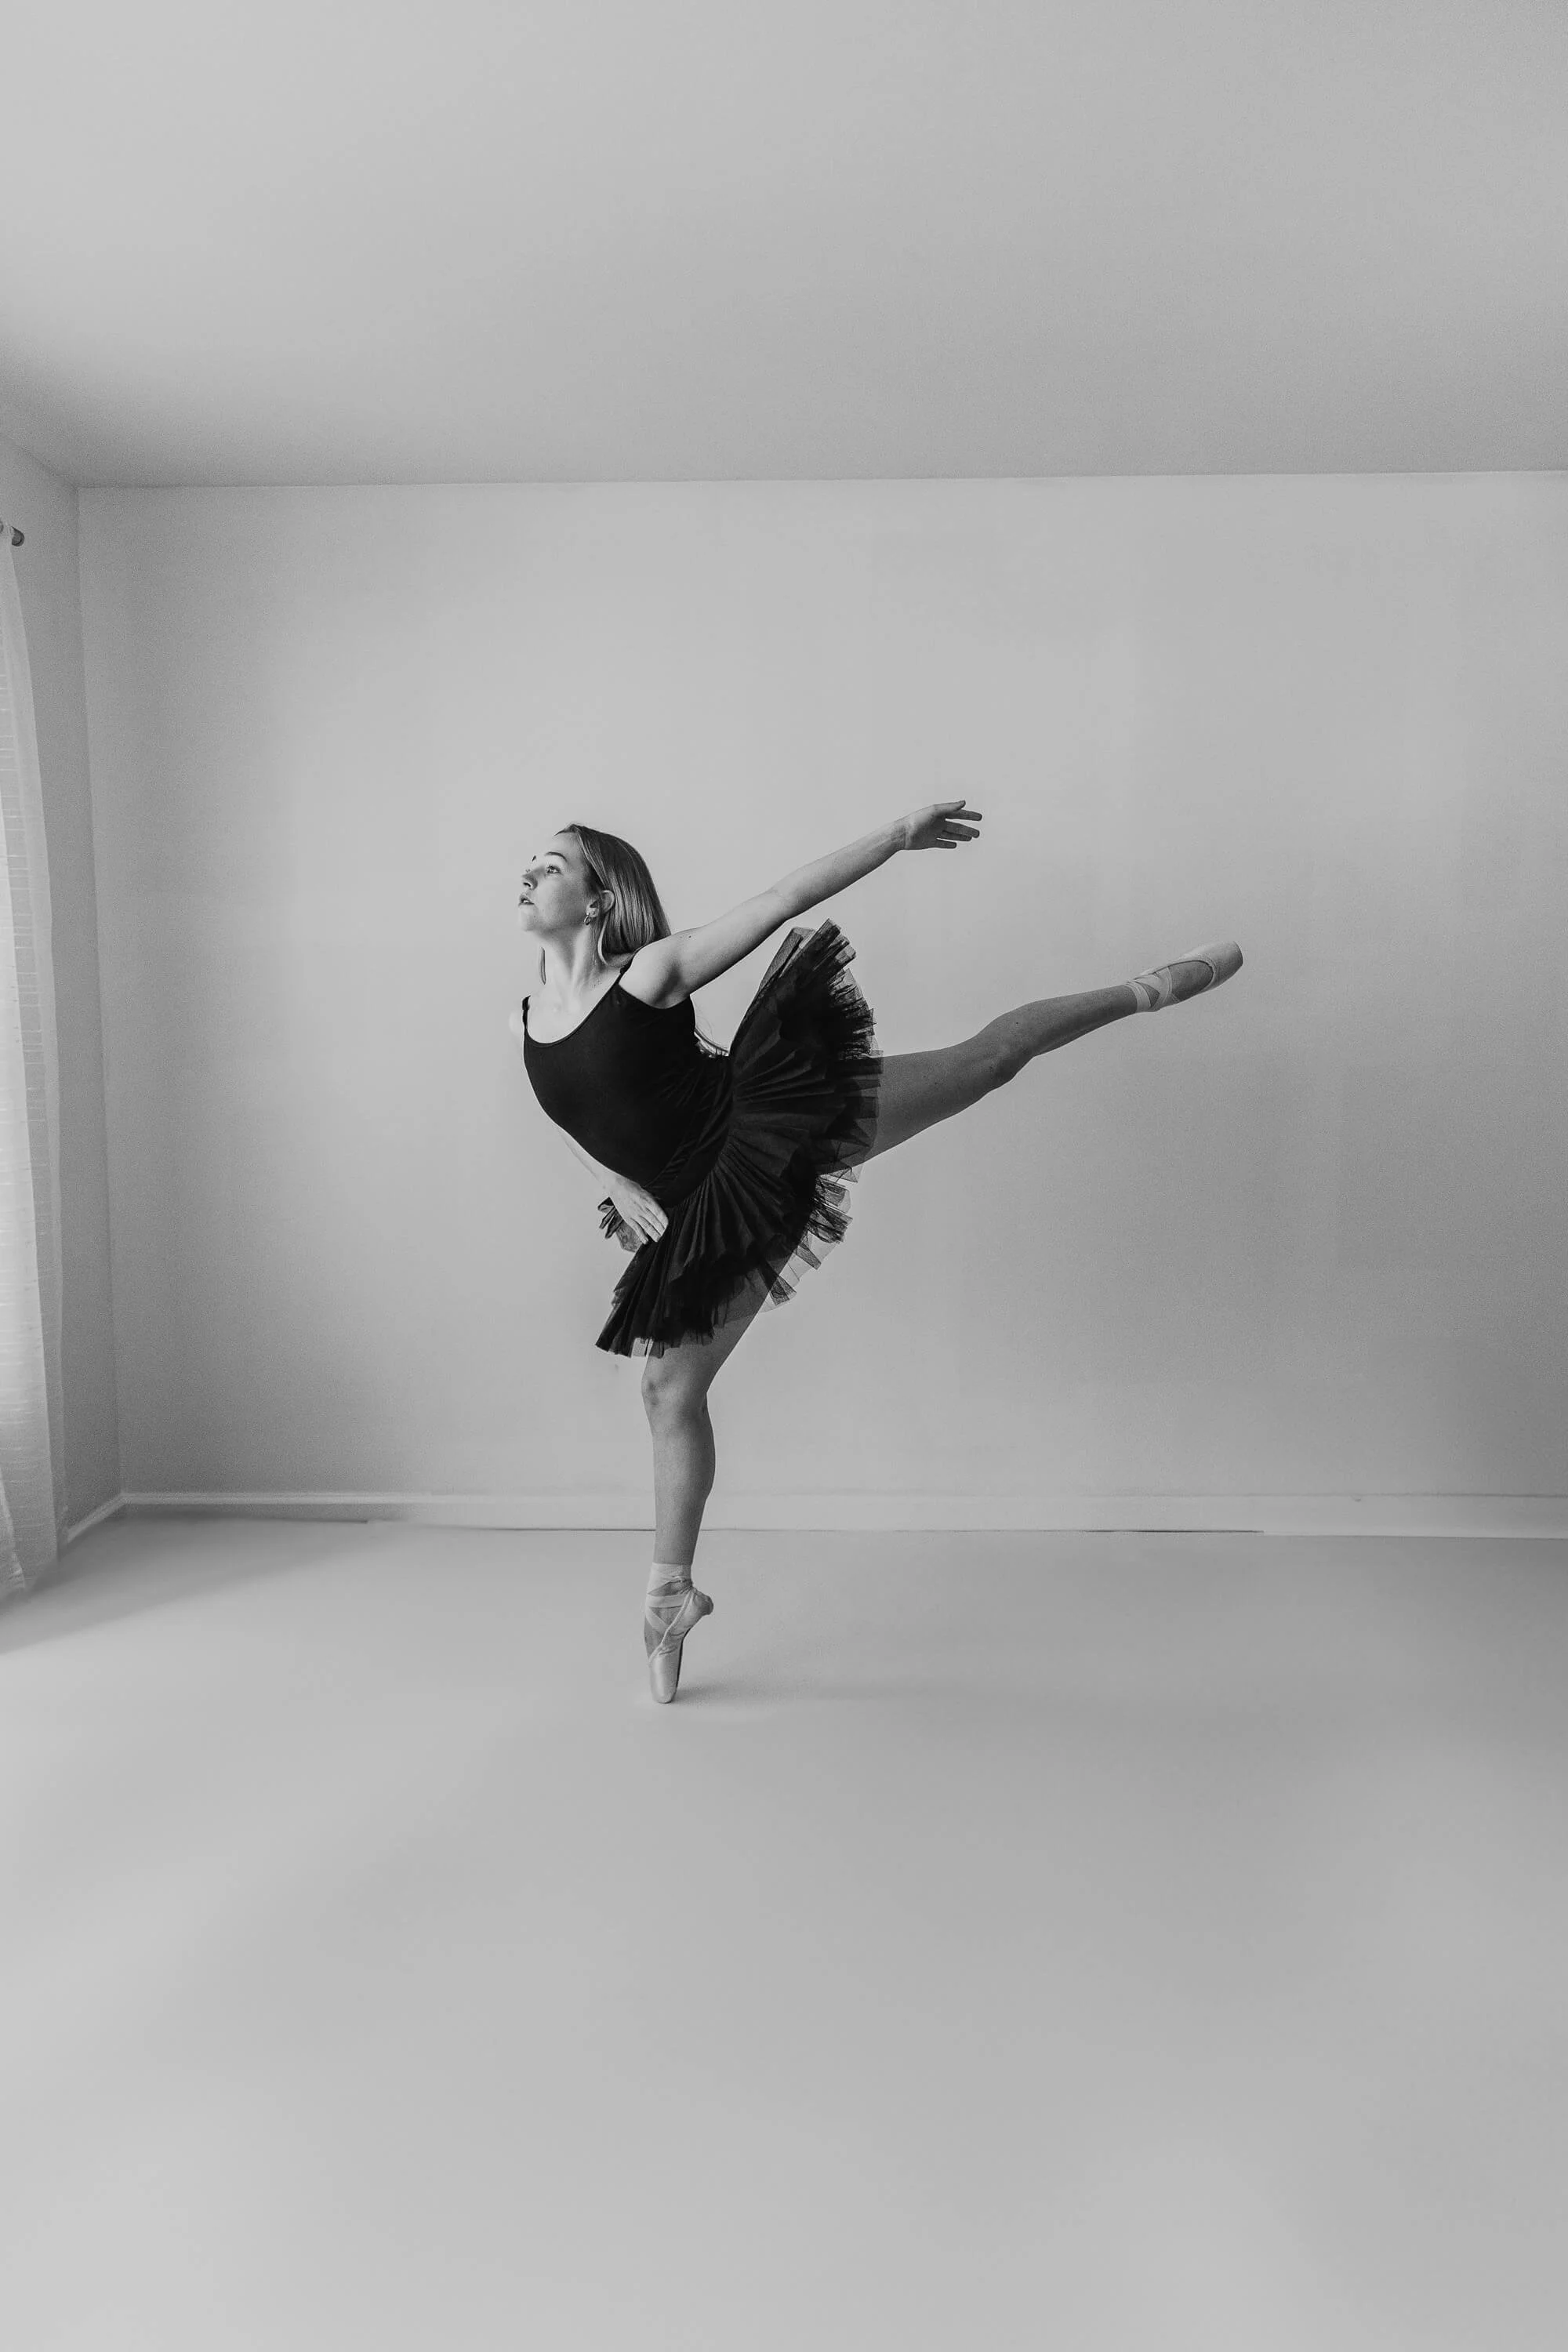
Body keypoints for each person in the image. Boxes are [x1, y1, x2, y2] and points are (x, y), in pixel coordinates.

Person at [509, 808, 1240, 1702]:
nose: (528, 874)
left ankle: (1144, 989)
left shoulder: (651, 974)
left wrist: (894, 837)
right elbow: (572, 1114)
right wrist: (616, 1184)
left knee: (989, 1060)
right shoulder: (531, 1011)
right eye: (530, 864)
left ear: (595, 901)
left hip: (768, 1128)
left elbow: (782, 899)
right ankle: (670, 1595)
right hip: (706, 1210)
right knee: (666, 1388)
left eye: (549, 866)